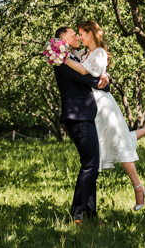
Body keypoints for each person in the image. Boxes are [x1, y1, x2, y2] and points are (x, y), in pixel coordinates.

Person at [62, 20, 145, 211]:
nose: (79, 37)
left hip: (103, 105)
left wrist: (61, 56)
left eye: (81, 33)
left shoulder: (99, 53)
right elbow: (90, 78)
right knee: (116, 140)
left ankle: (138, 188)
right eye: (77, 34)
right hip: (92, 105)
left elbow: (85, 73)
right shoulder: (82, 53)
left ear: (90, 33)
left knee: (119, 142)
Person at [52, 26, 109, 226]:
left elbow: (92, 76)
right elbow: (85, 78)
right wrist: (102, 81)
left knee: (92, 164)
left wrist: (104, 78)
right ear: (62, 39)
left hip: (85, 115)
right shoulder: (60, 59)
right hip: (77, 117)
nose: (77, 36)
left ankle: (90, 214)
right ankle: (77, 215)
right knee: (90, 164)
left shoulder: (75, 57)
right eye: (72, 34)